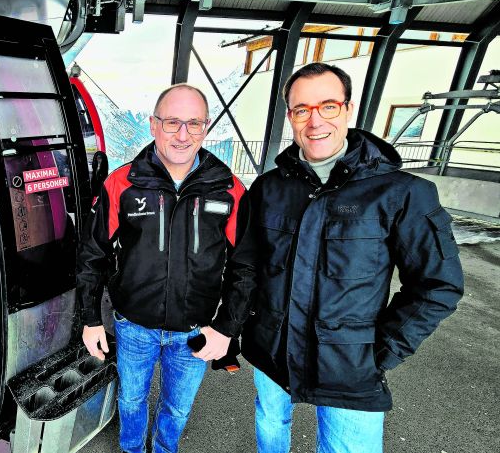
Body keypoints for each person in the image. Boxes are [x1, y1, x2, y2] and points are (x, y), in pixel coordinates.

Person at [239, 62, 464, 453]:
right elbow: (248, 266)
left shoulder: (400, 192)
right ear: (290, 117)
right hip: (271, 353)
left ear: (348, 109)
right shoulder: (268, 188)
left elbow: (438, 284)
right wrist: (240, 327)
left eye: (327, 106)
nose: (315, 122)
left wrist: (380, 352)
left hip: (350, 368)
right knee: (271, 424)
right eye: (302, 110)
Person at [77, 84, 255, 453]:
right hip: (133, 326)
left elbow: (246, 266)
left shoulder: (229, 189)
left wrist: (227, 327)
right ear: (153, 124)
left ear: (206, 127)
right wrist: (91, 319)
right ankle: (131, 450)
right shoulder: (122, 183)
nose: (183, 135)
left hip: (195, 330)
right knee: (131, 401)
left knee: (177, 408)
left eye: (194, 123)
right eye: (172, 122)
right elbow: (93, 253)